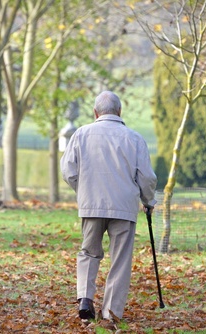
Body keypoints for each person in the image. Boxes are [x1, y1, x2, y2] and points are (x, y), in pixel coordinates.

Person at [60, 91, 157, 321]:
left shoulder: (81, 134)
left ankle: (85, 298)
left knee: (88, 252)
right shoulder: (134, 139)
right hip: (124, 207)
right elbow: (147, 177)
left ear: (96, 112)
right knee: (120, 260)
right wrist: (148, 201)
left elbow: (68, 171)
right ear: (119, 112)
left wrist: (83, 189)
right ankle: (111, 313)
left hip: (91, 204)